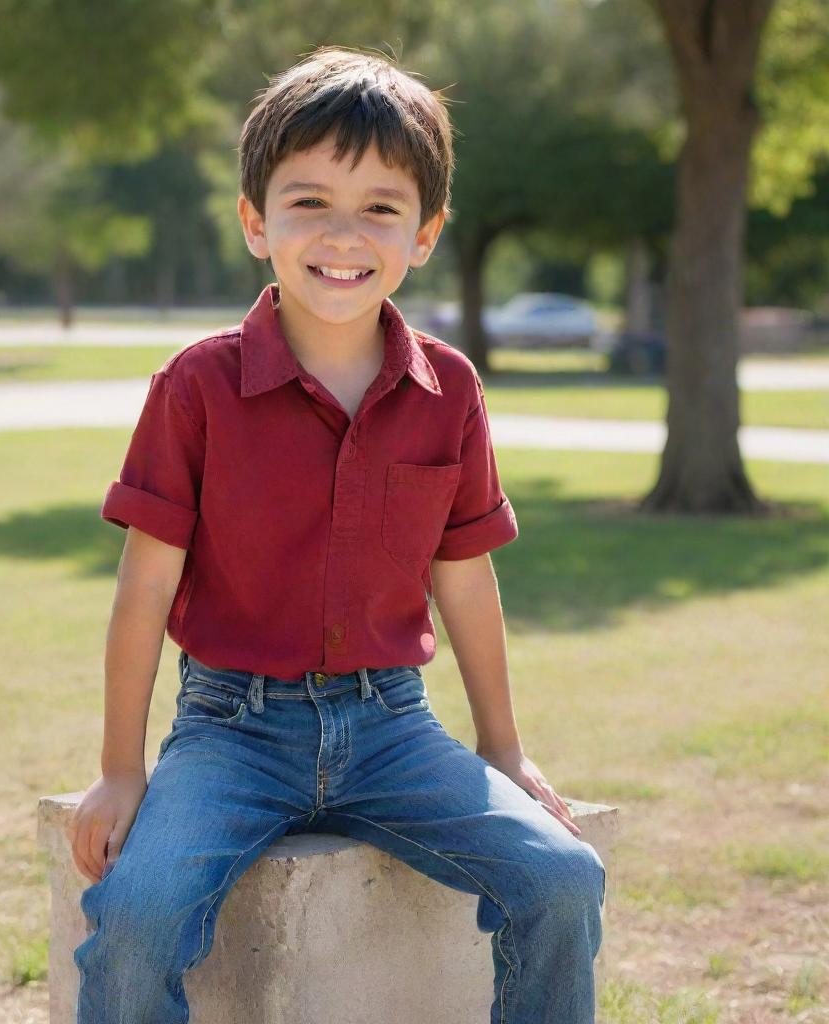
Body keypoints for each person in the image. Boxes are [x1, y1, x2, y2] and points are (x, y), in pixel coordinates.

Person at [67, 44, 606, 1024]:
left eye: (380, 209)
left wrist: (502, 746)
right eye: (308, 201)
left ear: (426, 231)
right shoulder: (195, 387)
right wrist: (119, 768)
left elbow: (466, 577)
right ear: (253, 221)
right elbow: (143, 590)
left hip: (392, 727)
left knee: (563, 877)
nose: (342, 234)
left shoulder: (449, 391)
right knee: (138, 914)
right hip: (230, 731)